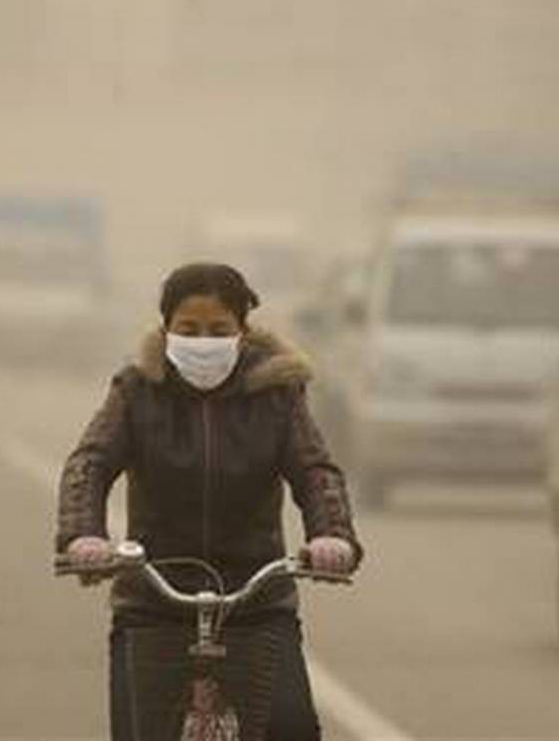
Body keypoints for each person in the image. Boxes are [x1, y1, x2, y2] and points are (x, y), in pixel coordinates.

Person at [55, 262, 363, 741]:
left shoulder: (277, 395)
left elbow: (315, 471)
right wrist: (83, 535)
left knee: (293, 727)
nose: (203, 341)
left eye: (218, 330)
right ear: (166, 330)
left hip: (256, 601)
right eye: (189, 329)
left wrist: (332, 536)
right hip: (153, 600)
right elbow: (89, 462)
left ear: (243, 331)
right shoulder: (136, 391)